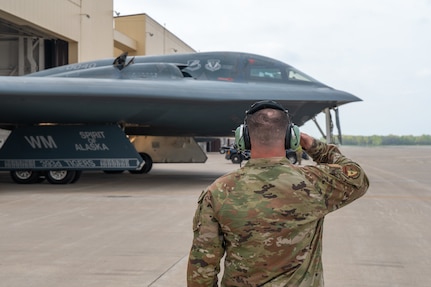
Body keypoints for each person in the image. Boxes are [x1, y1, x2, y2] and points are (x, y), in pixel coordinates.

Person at [187, 100, 369, 287]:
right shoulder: (314, 183)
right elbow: (357, 176)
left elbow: (202, 269)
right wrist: (315, 146)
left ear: (244, 137)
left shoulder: (218, 192)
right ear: (292, 137)